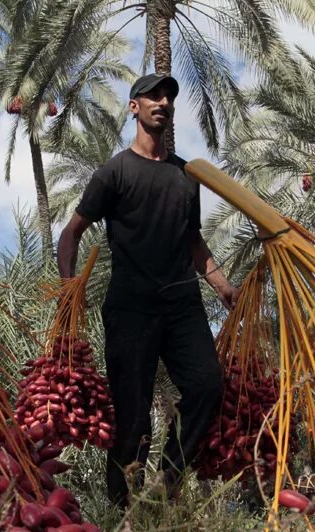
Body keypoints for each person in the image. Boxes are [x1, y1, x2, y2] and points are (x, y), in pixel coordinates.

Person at [56, 73, 239, 508]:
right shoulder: (114, 172)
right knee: (132, 414)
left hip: (181, 303)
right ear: (133, 107)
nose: (163, 101)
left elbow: (194, 242)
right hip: (131, 306)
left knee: (207, 385)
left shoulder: (185, 176)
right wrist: (69, 288)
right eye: (153, 95)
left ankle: (168, 479)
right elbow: (71, 233)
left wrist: (223, 287)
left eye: (168, 97)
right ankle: (124, 513)